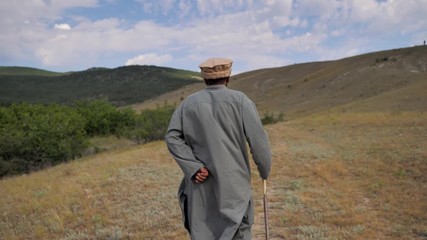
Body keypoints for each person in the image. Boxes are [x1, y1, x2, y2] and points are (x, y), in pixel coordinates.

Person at [165, 58, 272, 240]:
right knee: (237, 231)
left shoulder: (187, 104)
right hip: (234, 186)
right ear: (228, 77)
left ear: (205, 79)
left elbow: (172, 137)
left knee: (204, 232)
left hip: (200, 187)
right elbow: (259, 142)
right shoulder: (241, 101)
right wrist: (264, 171)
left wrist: (193, 167)